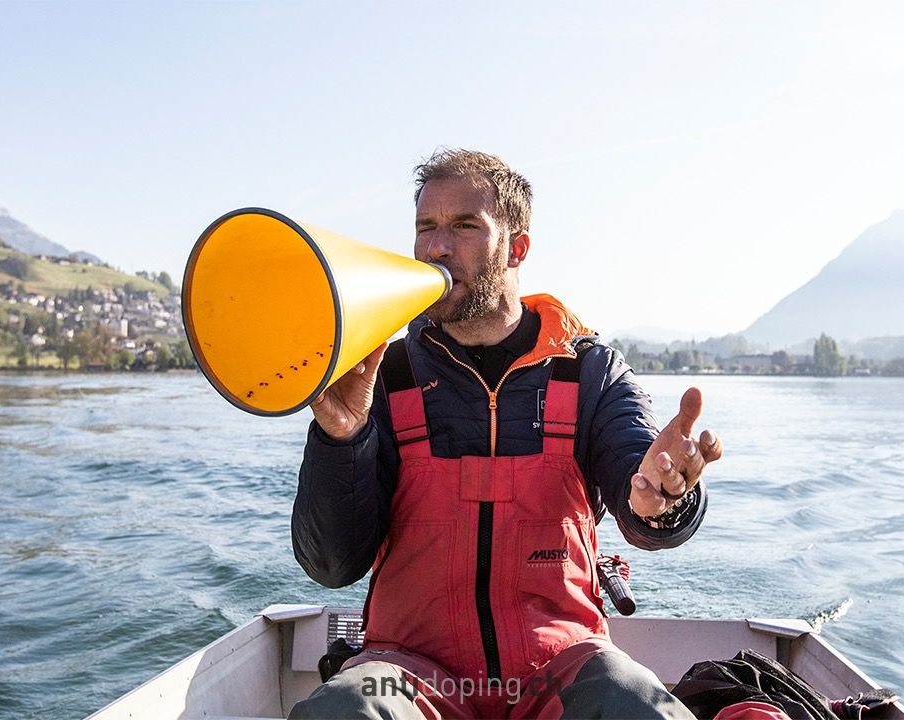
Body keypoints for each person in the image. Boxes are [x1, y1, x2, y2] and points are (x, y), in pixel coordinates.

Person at [289, 149, 722, 719]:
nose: (437, 247)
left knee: (634, 700)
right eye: (426, 228)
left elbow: (642, 487)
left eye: (465, 225)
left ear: (517, 247)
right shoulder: (381, 379)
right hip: (409, 671)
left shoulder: (590, 371)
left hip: (561, 669)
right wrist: (340, 437)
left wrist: (660, 497)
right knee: (346, 705)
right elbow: (331, 567)